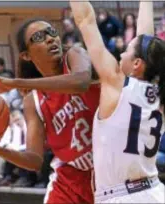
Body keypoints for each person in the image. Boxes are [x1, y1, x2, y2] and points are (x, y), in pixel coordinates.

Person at [0, 18, 100, 203]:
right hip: (69, 179)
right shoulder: (33, 100)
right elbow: (34, 160)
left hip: (109, 172)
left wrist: (15, 82)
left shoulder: (74, 56)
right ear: (26, 55)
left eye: (52, 32)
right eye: (39, 36)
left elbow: (81, 83)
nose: (50, 39)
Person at [70, 0, 165, 203]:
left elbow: (86, 20)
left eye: (127, 49)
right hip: (155, 192)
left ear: (137, 63)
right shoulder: (160, 95)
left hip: (121, 196)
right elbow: (145, 39)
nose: (121, 53)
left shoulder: (115, 82)